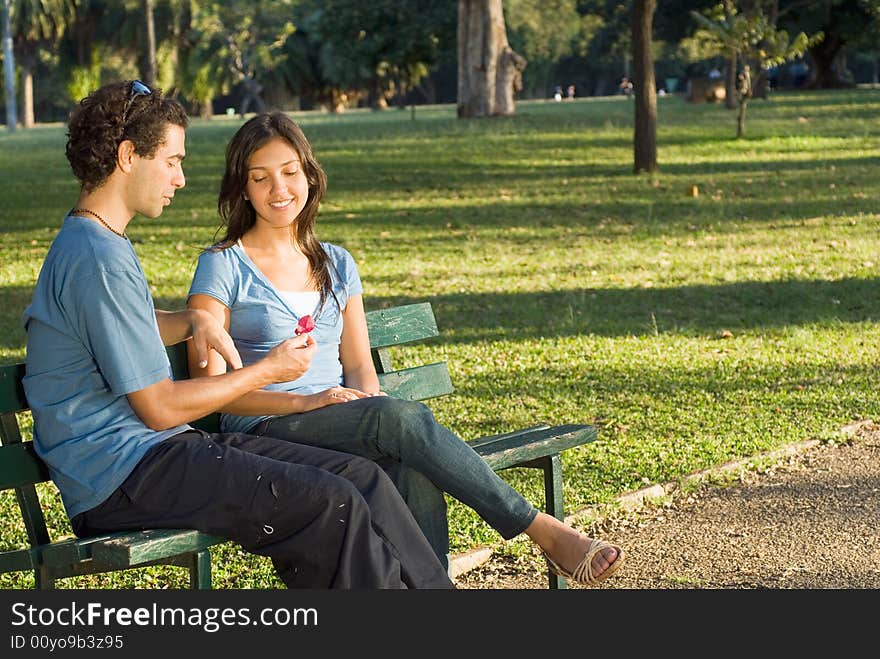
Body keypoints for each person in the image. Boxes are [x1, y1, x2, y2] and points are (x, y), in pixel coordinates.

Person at [21, 80, 453, 590]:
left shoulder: (97, 241)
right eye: (172, 160)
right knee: (328, 502)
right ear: (127, 155)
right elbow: (158, 407)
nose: (180, 178)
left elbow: (117, 323)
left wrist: (191, 320)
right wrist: (267, 370)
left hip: (159, 454)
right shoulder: (96, 255)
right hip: (122, 476)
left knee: (362, 480)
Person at [186, 111, 626, 587]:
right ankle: (543, 531)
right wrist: (311, 401)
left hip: (337, 421)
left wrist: (364, 403)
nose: (279, 189)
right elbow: (212, 392)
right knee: (399, 420)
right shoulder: (222, 266)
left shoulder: (336, 262)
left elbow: (357, 365)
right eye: (261, 177)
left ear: (309, 175)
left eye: (290, 172)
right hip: (265, 425)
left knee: (410, 469)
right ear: (242, 187)